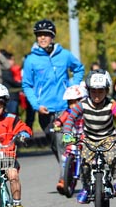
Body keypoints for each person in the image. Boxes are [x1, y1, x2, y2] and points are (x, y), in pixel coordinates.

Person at [62, 71, 116, 203]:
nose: (97, 95)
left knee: (111, 158)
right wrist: (67, 133)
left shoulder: (111, 104)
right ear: (89, 91)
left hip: (107, 137)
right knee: (85, 164)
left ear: (107, 91)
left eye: (101, 91)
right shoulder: (82, 104)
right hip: (88, 138)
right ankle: (85, 188)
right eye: (94, 91)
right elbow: (70, 118)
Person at [22, 19, 85, 162]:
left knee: (63, 142)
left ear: (53, 36)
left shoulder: (65, 55)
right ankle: (69, 170)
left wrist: (72, 87)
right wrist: (36, 105)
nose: (42, 37)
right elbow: (26, 85)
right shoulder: (31, 60)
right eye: (39, 35)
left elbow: (79, 69)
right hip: (45, 110)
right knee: (55, 145)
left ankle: (66, 176)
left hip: (65, 107)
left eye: (46, 34)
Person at [54, 84, 86, 194]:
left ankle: (90, 178)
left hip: (85, 137)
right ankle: (66, 176)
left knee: (89, 156)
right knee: (66, 156)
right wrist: (58, 123)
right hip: (72, 136)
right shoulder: (68, 112)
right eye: (70, 102)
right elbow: (62, 118)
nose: (72, 106)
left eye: (75, 102)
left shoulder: (87, 112)